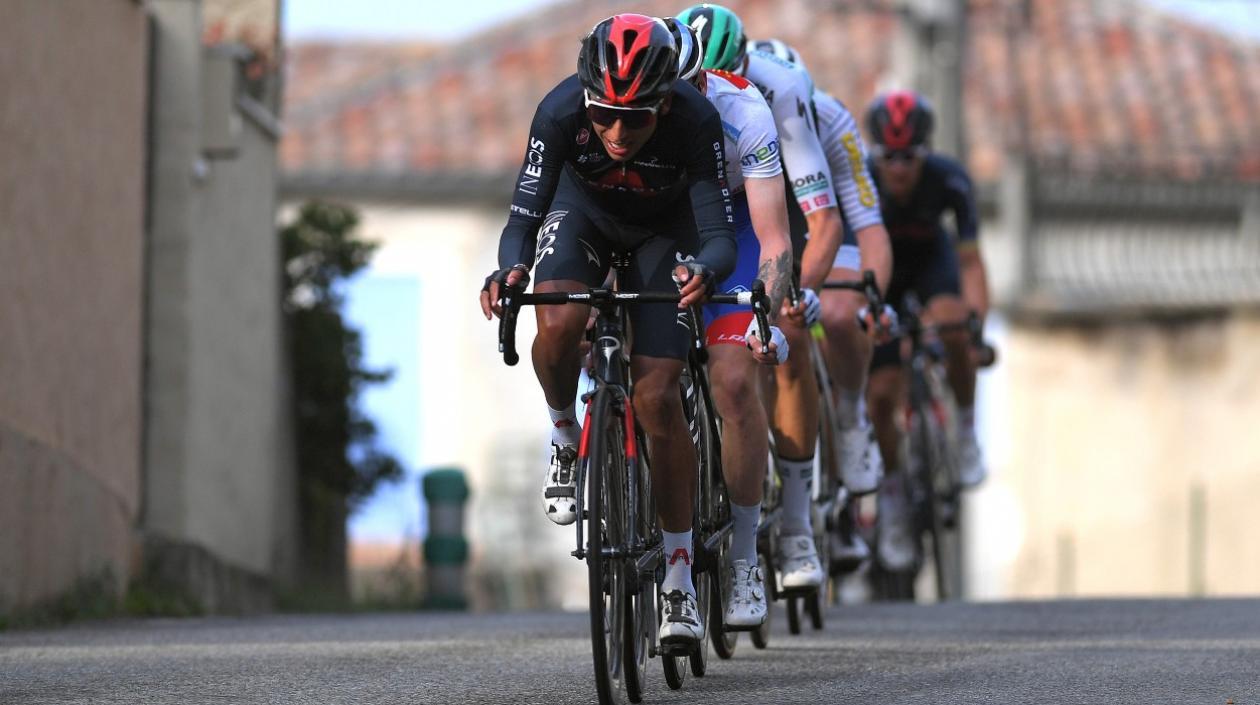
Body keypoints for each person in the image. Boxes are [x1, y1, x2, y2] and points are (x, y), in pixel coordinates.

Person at [479, 13, 738, 647]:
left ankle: (678, 576)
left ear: (667, 102)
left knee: (655, 398)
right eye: (605, 115)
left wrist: (704, 268)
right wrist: (509, 267)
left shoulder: (697, 120)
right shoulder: (559, 112)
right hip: (584, 215)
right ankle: (566, 432)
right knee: (559, 316)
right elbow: (524, 213)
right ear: (586, 99)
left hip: (663, 232)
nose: (618, 132)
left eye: (639, 117)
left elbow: (718, 235)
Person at [677, 2, 840, 595]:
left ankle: (794, 525)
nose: (715, 88)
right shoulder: (662, 92)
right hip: (684, 217)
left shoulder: (775, 91)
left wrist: (798, 297)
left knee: (786, 333)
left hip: (757, 210)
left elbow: (818, 222)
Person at [748, 38, 897, 566]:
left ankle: (852, 417)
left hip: (822, 229)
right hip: (765, 223)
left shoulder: (831, 121)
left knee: (836, 313)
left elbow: (868, 228)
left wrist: (869, 297)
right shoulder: (738, 116)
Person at [668, 19, 792, 629]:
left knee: (736, 381)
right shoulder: (639, 107)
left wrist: (763, 311)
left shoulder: (746, 110)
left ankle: (745, 553)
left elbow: (773, 237)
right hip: (667, 222)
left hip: (736, 224)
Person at [861, 90, 991, 571]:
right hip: (883, 273)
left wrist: (973, 328)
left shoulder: (950, 180)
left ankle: (965, 431)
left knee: (955, 328)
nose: (899, 169)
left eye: (909, 157)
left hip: (932, 262)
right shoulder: (863, 183)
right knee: (880, 394)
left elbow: (972, 263)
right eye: (889, 157)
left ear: (925, 152)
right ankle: (891, 499)